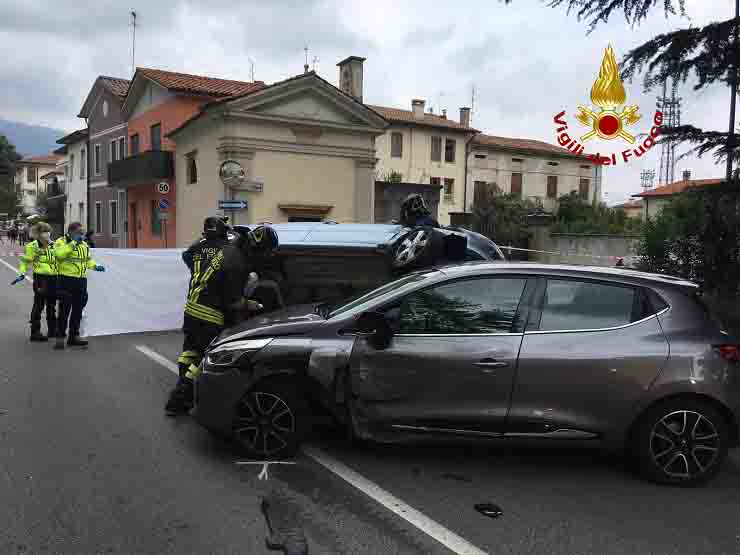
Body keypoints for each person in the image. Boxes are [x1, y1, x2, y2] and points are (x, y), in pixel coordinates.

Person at [165, 224, 279, 416]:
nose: (266, 258)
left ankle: (184, 390)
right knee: (203, 360)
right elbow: (233, 303)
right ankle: (179, 398)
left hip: (193, 308)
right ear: (258, 250)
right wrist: (252, 305)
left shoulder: (231, 248)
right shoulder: (237, 264)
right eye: (266, 254)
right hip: (209, 315)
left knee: (190, 352)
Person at [53, 222, 106, 350]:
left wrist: (94, 266)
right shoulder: (61, 242)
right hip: (66, 280)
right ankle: (60, 338)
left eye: (83, 233)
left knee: (78, 310)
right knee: (64, 310)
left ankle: (73, 337)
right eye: (79, 232)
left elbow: (87, 259)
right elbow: (59, 255)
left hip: (81, 281)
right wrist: (73, 243)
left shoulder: (84, 244)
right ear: (71, 232)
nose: (82, 235)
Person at [17, 222, 58, 341]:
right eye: (44, 231)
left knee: (52, 304)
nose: (47, 234)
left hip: (53, 277)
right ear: (38, 234)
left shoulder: (53, 245)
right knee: (39, 304)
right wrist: (22, 273)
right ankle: (35, 332)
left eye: (48, 231)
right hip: (41, 278)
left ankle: (52, 329)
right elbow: (25, 261)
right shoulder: (32, 246)